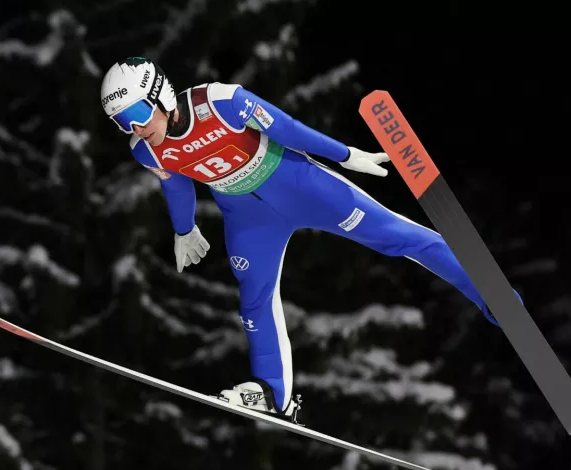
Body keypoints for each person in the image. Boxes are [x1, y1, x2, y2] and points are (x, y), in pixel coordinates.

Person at [100, 56, 513, 422]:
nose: (134, 127)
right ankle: (272, 394)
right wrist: (184, 229)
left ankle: (491, 294)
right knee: (255, 297)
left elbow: (287, 128)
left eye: (136, 112)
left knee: (398, 238)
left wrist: (347, 155)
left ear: (161, 95)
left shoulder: (220, 101)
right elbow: (176, 185)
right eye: (121, 121)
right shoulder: (145, 151)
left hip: (300, 185)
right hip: (248, 217)